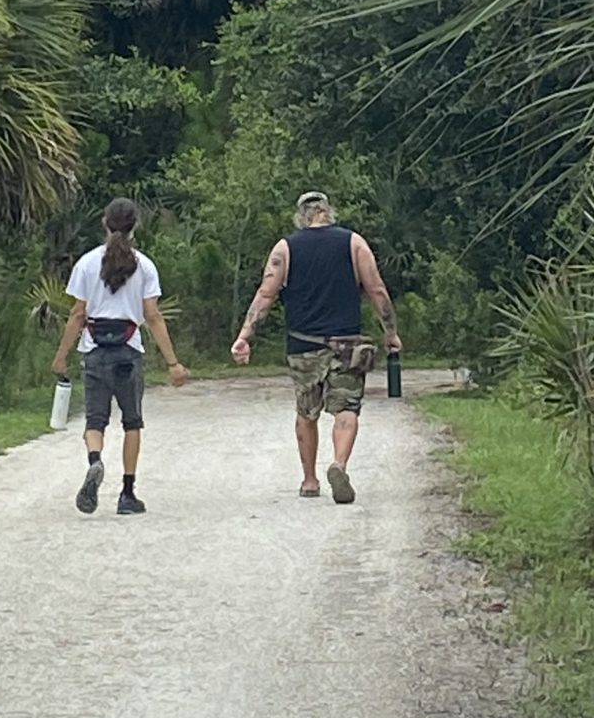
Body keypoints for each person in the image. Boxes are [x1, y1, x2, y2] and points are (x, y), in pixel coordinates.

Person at [230, 191, 400, 504]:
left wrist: (244, 336)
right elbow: (376, 289)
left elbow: (265, 295)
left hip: (303, 345)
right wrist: (390, 332)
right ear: (328, 212)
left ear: (301, 216)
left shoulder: (286, 248)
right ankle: (339, 464)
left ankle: (309, 480)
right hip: (347, 343)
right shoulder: (354, 243)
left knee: (306, 413)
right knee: (346, 409)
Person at [53, 199, 188, 516]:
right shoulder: (144, 265)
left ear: (105, 223)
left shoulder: (86, 264)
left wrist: (61, 355)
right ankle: (127, 494)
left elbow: (77, 314)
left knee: (94, 420)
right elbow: (152, 315)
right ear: (135, 226)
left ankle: (95, 461)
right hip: (129, 350)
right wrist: (173, 363)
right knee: (132, 422)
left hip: (95, 350)